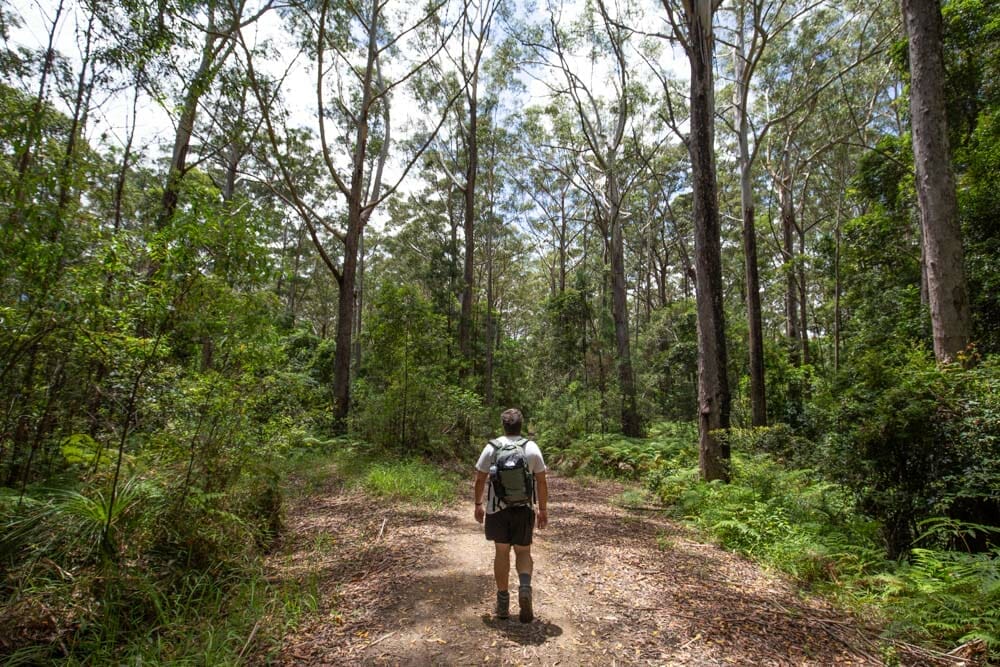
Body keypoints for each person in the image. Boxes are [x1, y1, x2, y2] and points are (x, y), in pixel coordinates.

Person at [474, 408, 548, 622]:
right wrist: (542, 509)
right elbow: (542, 481)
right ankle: (524, 587)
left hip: (497, 510)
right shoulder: (532, 448)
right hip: (523, 509)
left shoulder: (492, 448)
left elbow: (480, 479)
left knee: (502, 552)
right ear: (521, 425)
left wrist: (478, 504)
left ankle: (503, 603)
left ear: (503, 425)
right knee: (523, 552)